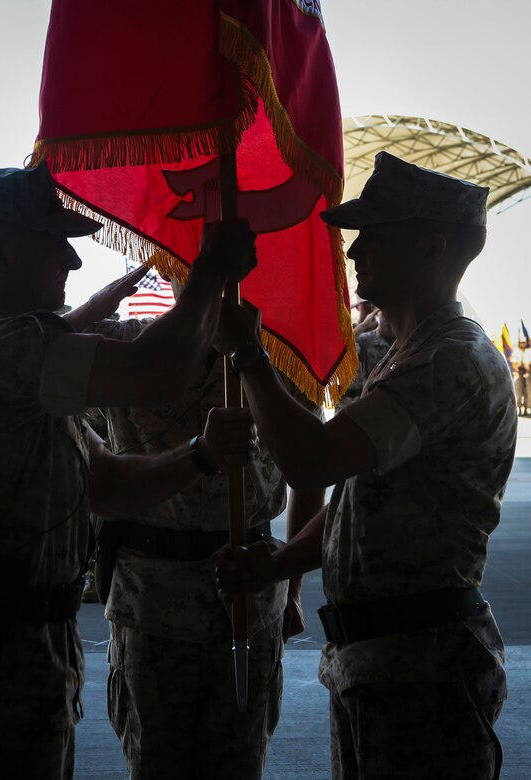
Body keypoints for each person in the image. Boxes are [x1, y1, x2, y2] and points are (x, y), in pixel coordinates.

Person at [0, 162, 258, 780]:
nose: (73, 262)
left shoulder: (27, 362)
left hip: (29, 644)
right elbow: (155, 372)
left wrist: (199, 455)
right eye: (54, 244)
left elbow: (107, 485)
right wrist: (211, 272)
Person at [212, 151, 516, 780]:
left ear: (431, 250)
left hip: (423, 670)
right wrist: (280, 562)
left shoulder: (449, 363)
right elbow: (359, 502)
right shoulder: (399, 355)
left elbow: (312, 462)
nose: (353, 252)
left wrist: (247, 354)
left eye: (375, 236)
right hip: (380, 663)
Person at [88, 296, 325, 780]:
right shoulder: (127, 346)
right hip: (152, 601)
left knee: (239, 759)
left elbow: (309, 467)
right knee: (154, 761)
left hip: (249, 593)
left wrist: (293, 586)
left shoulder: (278, 354)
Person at [337, 309, 395, 410]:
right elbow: (338, 349)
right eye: (384, 310)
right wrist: (364, 325)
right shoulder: (364, 340)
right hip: (356, 408)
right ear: (377, 313)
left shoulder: (405, 342)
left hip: (387, 408)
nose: (388, 316)